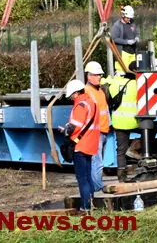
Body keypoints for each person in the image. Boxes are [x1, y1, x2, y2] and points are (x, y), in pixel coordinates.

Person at [62, 79, 100, 214]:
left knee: (82, 178)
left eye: (72, 95)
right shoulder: (92, 104)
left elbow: (75, 127)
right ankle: (91, 205)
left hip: (80, 145)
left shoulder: (81, 106)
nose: (72, 97)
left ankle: (85, 208)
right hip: (90, 144)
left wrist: (66, 130)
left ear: (77, 92)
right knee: (88, 177)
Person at [106, 61, 138, 183]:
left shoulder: (115, 81)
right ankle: (135, 148)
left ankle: (121, 175)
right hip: (133, 120)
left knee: (121, 149)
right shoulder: (136, 84)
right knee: (151, 131)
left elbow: (105, 83)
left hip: (118, 121)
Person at [84, 61, 110, 193]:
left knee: (98, 162)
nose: (99, 77)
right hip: (95, 132)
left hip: (103, 130)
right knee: (97, 162)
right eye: (96, 75)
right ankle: (97, 189)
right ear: (89, 76)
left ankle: (96, 187)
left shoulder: (99, 90)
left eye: (100, 75)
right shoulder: (87, 91)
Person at [110, 5, 139, 70]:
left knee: (133, 71)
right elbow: (113, 38)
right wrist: (127, 42)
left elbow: (135, 32)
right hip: (123, 53)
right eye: (127, 17)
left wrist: (136, 37)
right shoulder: (117, 25)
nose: (129, 19)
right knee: (123, 71)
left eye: (130, 18)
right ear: (123, 15)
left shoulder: (132, 23)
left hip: (133, 53)